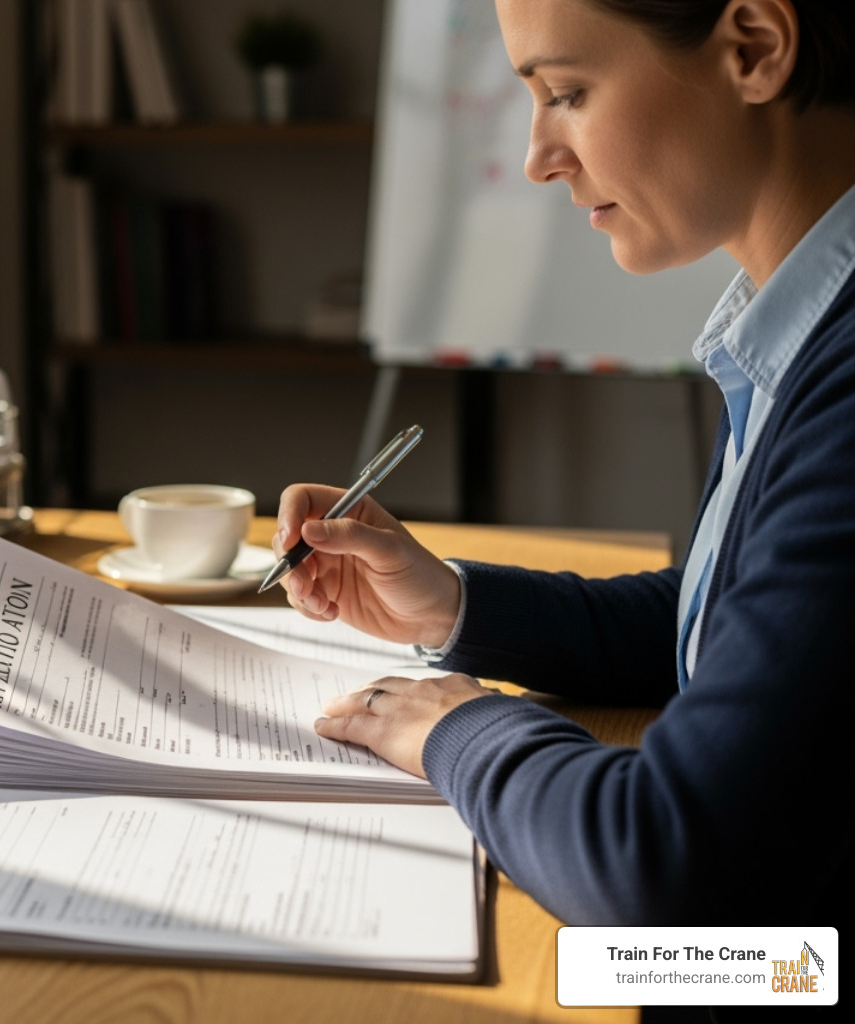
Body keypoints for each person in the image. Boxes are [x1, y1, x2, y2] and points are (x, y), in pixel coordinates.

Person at [278, 0, 855, 929]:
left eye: (568, 93)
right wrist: (456, 604)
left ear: (754, 49)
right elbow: (745, 625)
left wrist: (454, 729)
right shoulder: (796, 327)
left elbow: (669, 868)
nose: (539, 156)